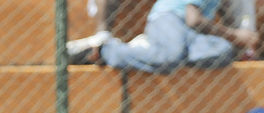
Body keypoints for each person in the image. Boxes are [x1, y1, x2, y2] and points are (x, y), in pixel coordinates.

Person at [69, 0, 257, 71]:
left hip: (190, 34)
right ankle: (106, 50)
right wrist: (234, 34)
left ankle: (153, 48)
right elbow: (194, 19)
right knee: (170, 58)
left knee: (222, 51)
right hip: (169, 19)